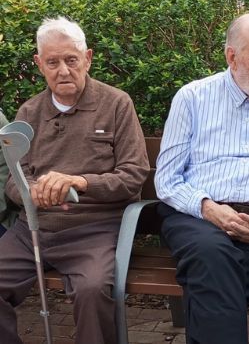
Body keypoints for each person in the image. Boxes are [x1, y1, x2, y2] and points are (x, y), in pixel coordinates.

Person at [154, 12, 249, 344]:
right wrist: (210, 209)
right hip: (197, 218)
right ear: (232, 57)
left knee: (210, 279)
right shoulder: (193, 98)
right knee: (211, 254)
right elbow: (167, 179)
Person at [0, 18, 148, 344]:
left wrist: (81, 182)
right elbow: (14, 179)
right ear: (40, 65)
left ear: (88, 58)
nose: (63, 71)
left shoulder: (116, 104)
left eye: (71, 60)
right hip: (33, 230)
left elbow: (133, 175)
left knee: (93, 290)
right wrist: (32, 193)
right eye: (52, 62)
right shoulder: (29, 112)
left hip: (94, 231)